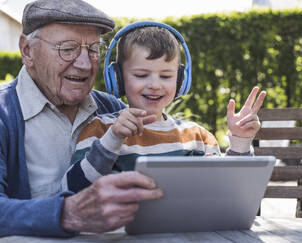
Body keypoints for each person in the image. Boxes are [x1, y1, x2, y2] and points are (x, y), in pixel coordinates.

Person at [0, 0, 164, 240]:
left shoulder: (113, 109)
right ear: (27, 50)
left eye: (94, 49)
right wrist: (69, 213)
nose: (85, 64)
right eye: (68, 49)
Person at [62, 22, 266, 193]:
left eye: (166, 76)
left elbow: (228, 193)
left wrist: (240, 142)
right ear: (118, 79)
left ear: (180, 80)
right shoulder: (101, 131)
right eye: (141, 75)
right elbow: (71, 191)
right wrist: (112, 140)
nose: (155, 85)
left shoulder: (198, 138)